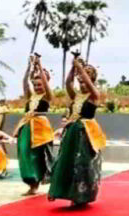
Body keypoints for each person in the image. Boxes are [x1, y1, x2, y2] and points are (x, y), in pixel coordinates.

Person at [48, 55, 106, 207]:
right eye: (80, 80)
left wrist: (81, 68)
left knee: (82, 163)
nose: (82, 82)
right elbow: (68, 83)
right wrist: (73, 68)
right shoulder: (76, 95)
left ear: (92, 80)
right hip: (72, 132)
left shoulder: (94, 96)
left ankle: (82, 196)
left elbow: (89, 84)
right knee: (67, 161)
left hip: (85, 134)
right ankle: (70, 193)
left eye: (85, 79)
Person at [13, 54, 55, 195]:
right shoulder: (31, 97)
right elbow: (25, 82)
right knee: (24, 154)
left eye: (40, 84)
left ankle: (36, 183)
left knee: (37, 156)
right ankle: (31, 183)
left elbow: (45, 83)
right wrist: (29, 67)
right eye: (35, 84)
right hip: (26, 126)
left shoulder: (47, 96)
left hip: (40, 128)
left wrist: (40, 65)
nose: (37, 87)